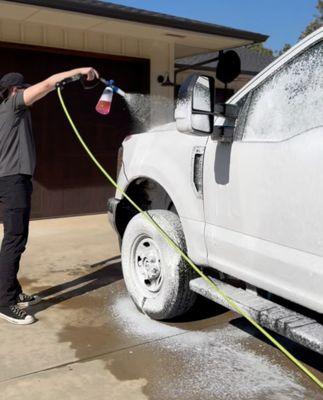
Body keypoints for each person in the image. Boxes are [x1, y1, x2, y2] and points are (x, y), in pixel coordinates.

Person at [0, 67, 99, 325]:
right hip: (13, 181)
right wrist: (81, 71)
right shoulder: (13, 105)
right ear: (13, 90)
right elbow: (46, 84)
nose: (26, 93)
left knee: (14, 237)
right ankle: (4, 302)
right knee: (15, 239)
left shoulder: (7, 112)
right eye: (23, 89)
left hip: (9, 179)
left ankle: (12, 291)